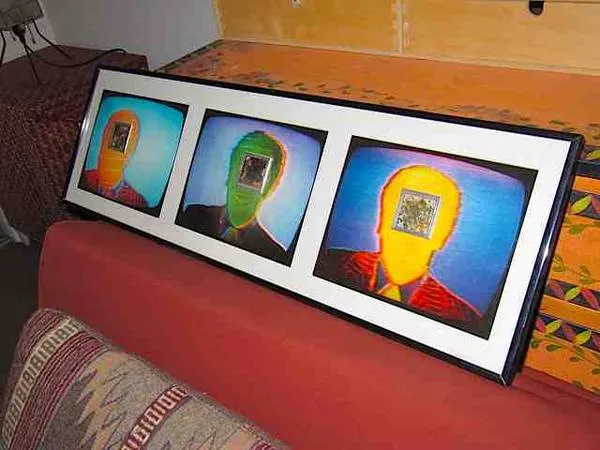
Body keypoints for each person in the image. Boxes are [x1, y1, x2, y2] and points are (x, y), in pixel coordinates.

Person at [316, 165, 481, 322]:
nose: (407, 240)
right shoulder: (329, 262)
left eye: (422, 227)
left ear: (443, 238)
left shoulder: (460, 315)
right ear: (381, 222)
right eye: (402, 221)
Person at [178, 131, 289, 263]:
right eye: (245, 168)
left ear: (271, 187)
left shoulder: (275, 254)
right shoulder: (193, 214)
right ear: (230, 172)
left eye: (257, 175)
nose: (245, 184)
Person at [80, 110, 148, 208]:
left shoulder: (136, 201)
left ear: (130, 153)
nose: (112, 153)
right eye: (111, 140)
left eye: (120, 144)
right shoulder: (85, 177)